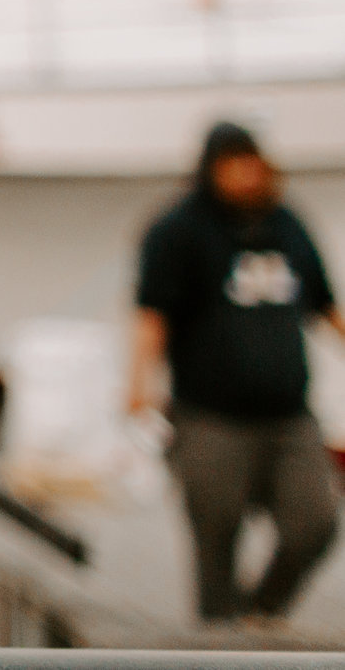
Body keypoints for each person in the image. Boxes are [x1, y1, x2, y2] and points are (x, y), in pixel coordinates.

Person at [132, 120, 343, 621]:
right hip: (210, 418)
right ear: (211, 168)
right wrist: (137, 387)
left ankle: (260, 613)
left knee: (314, 523)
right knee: (216, 539)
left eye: (253, 163)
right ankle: (219, 642)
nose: (247, 175)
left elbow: (323, 304)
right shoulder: (177, 229)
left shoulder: (286, 223)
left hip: (289, 417)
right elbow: (150, 316)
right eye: (234, 164)